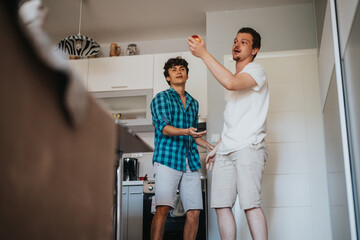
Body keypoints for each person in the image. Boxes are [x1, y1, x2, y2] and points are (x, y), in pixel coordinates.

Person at [187, 27, 269, 240]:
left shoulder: (256, 71)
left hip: (249, 147)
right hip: (226, 150)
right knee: (221, 205)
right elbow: (235, 122)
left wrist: (203, 53)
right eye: (235, 40)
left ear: (254, 50)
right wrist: (218, 147)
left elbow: (231, 83)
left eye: (244, 42)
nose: (236, 44)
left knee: (250, 204)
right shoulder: (232, 79)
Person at [150, 57, 214, 240]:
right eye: (173, 69)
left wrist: (211, 146)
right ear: (168, 77)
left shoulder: (194, 103)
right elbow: (164, 128)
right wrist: (186, 131)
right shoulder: (161, 98)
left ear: (187, 74)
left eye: (182, 69)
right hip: (167, 159)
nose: (179, 71)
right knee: (163, 208)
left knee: (194, 212)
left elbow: (192, 136)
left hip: (190, 161)